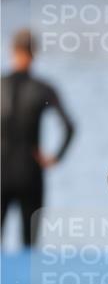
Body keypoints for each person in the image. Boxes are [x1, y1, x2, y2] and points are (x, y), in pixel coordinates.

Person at [1, 28, 75, 248]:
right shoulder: (43, 89)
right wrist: (55, 157)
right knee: (29, 247)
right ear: (34, 53)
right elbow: (70, 127)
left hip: (1, 170)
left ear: (13, 50)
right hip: (30, 172)